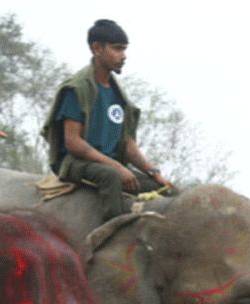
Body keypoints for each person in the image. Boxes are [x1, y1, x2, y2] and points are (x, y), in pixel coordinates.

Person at [41, 19, 175, 222]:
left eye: (124, 50)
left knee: (163, 190)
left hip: (109, 164)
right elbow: (73, 142)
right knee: (109, 176)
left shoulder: (117, 94)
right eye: (117, 49)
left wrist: (154, 172)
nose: (123, 56)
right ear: (97, 48)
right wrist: (117, 167)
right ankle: (114, 233)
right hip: (77, 163)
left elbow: (128, 146)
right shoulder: (77, 88)